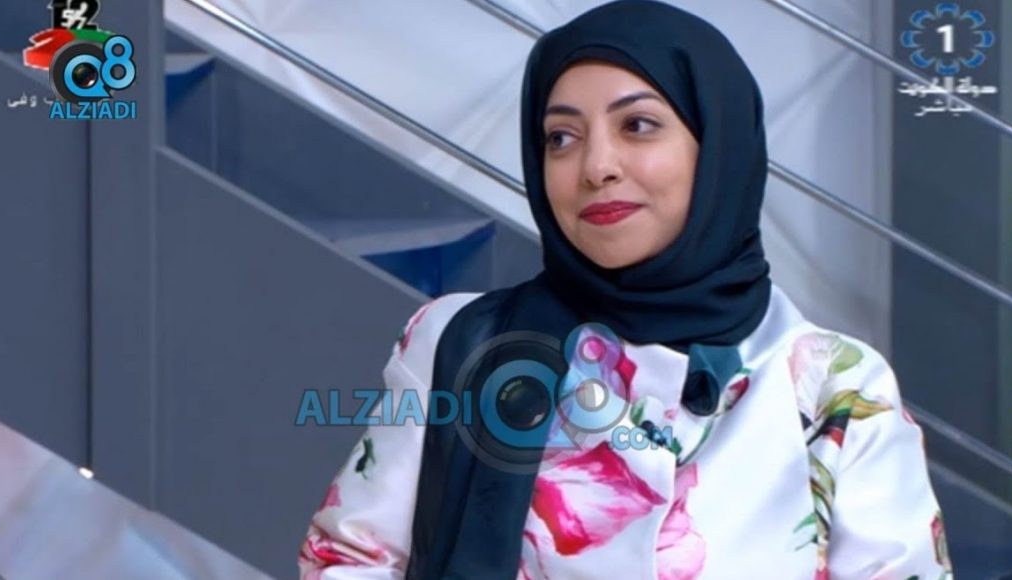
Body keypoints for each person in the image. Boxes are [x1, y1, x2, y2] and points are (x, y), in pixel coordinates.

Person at [298, 1, 953, 578]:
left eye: (637, 125)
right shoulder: (459, 341)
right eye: (561, 137)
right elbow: (348, 560)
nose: (596, 167)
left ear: (717, 145)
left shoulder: (836, 387)